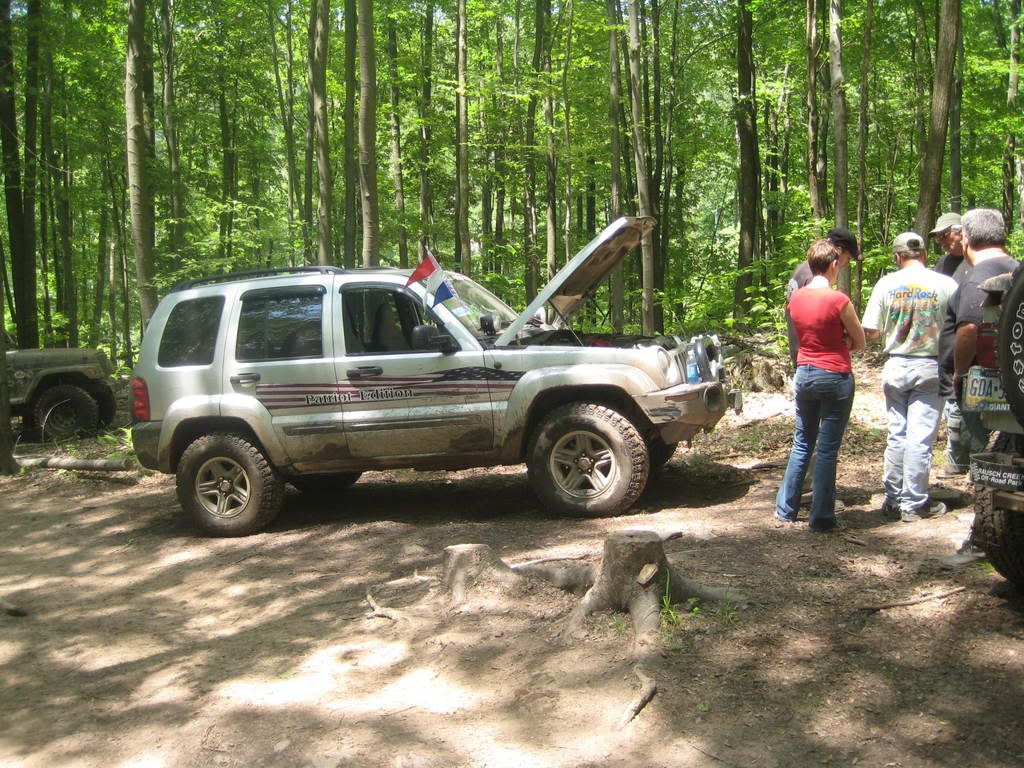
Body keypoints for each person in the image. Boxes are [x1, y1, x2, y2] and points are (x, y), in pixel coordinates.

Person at [938, 208, 1019, 563]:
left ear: (966, 239)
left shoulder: (976, 279)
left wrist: (958, 372)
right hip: (1013, 383)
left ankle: (979, 536)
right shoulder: (1016, 271)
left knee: (982, 466)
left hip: (985, 383)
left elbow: (969, 330)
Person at [862, 232, 957, 522]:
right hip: (930, 365)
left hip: (895, 365)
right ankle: (913, 503)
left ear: (897, 257)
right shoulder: (948, 284)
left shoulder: (886, 284)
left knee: (897, 434)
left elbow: (871, 330)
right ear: (925, 255)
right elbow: (959, 326)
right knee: (920, 439)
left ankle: (893, 499)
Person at [776, 239, 866, 532]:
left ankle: (785, 509)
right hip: (835, 375)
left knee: (802, 442)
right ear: (832, 265)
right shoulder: (838, 300)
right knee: (827, 449)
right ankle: (822, 517)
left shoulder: (796, 299)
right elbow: (860, 341)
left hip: (805, 373)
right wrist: (844, 342)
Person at [930, 212, 973, 478]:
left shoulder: (977, 261)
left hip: (977, 341)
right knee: (954, 403)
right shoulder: (942, 265)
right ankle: (958, 460)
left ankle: (980, 460)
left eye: (946, 235)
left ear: (962, 232)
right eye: (939, 238)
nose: (943, 242)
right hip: (948, 344)